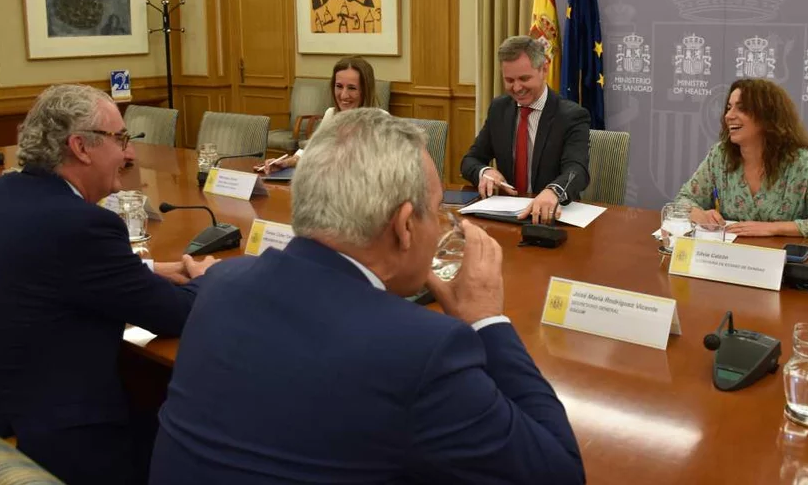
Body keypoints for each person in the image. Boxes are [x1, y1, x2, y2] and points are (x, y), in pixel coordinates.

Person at [150, 108, 585, 485]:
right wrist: (488, 319)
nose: (441, 225)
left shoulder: (222, 285)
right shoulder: (420, 351)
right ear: (404, 226)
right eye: (436, 211)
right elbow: (558, 472)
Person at [0, 84, 218, 485]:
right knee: (197, 444)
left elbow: (53, 273)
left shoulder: (1, 195)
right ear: (81, 147)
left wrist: (148, 269)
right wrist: (207, 280)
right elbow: (176, 315)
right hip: (50, 433)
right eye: (120, 138)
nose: (130, 153)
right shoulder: (81, 225)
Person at [675, 78, 808, 237]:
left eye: (741, 108)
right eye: (729, 107)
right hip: (729, 259)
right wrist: (699, 214)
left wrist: (773, 228)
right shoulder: (720, 156)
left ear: (768, 117)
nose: (728, 116)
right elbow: (684, 199)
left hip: (781, 262)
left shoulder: (800, 162)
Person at [461, 36, 590, 224]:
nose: (517, 88)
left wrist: (553, 191)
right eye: (509, 80)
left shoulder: (572, 116)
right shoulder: (499, 109)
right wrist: (485, 171)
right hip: (506, 218)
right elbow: (470, 160)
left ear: (544, 69)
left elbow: (577, 170)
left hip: (551, 219)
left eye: (524, 78)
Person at [257, 55, 379, 173]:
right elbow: (311, 151)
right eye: (339, 86)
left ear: (365, 90)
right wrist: (285, 163)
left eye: (352, 88)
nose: (343, 95)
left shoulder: (380, 122)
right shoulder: (331, 115)